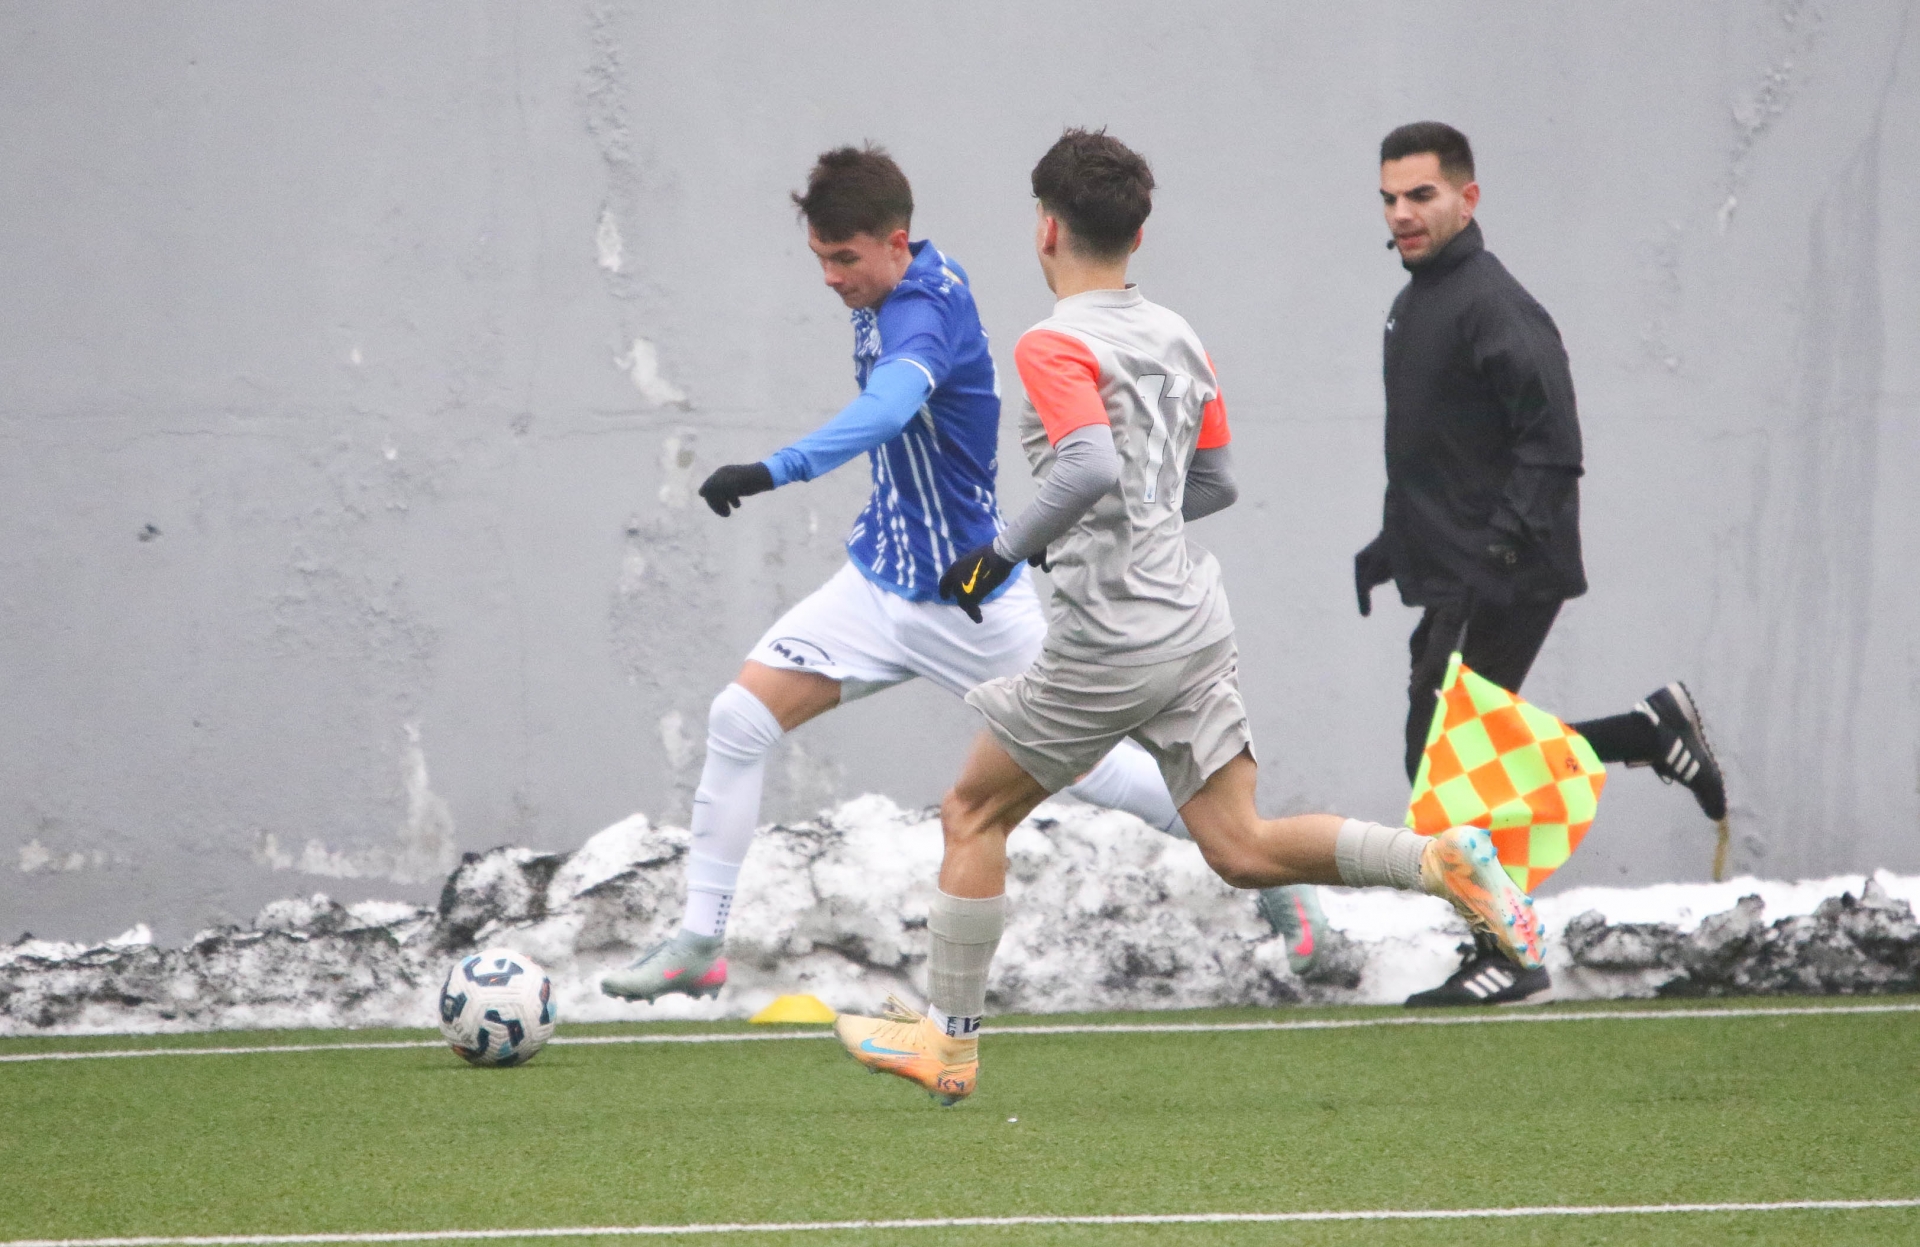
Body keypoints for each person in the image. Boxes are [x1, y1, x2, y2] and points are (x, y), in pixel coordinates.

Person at [830, 129, 1543, 1105]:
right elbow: (1213, 482)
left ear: (1046, 229)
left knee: (972, 810)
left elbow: (1088, 465)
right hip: (1191, 621)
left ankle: (947, 1045)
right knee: (1241, 845)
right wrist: (1113, 525)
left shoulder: (1053, 341)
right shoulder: (1177, 335)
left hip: (1112, 636)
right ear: (1138, 232)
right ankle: (1438, 859)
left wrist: (1002, 551)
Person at [600, 145, 1207, 1005]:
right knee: (738, 718)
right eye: (820, 258)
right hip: (878, 583)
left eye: (844, 258)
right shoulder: (893, 283)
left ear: (895, 242)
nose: (831, 277)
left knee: (1096, 771)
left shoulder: (924, 310)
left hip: (968, 598)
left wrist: (774, 469)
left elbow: (887, 408)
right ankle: (699, 943)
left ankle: (1251, 855)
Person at [1353, 121, 1727, 1007]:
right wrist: (1391, 544)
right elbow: (1433, 449)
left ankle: (1508, 955)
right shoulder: (1416, 302)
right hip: (1457, 566)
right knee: (1447, 754)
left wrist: (1499, 550)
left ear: (1467, 198)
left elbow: (1552, 444)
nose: (1402, 213)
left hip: (1505, 569)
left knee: (1445, 762)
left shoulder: (1493, 304)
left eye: (1421, 195)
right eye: (1390, 198)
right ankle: (1644, 733)